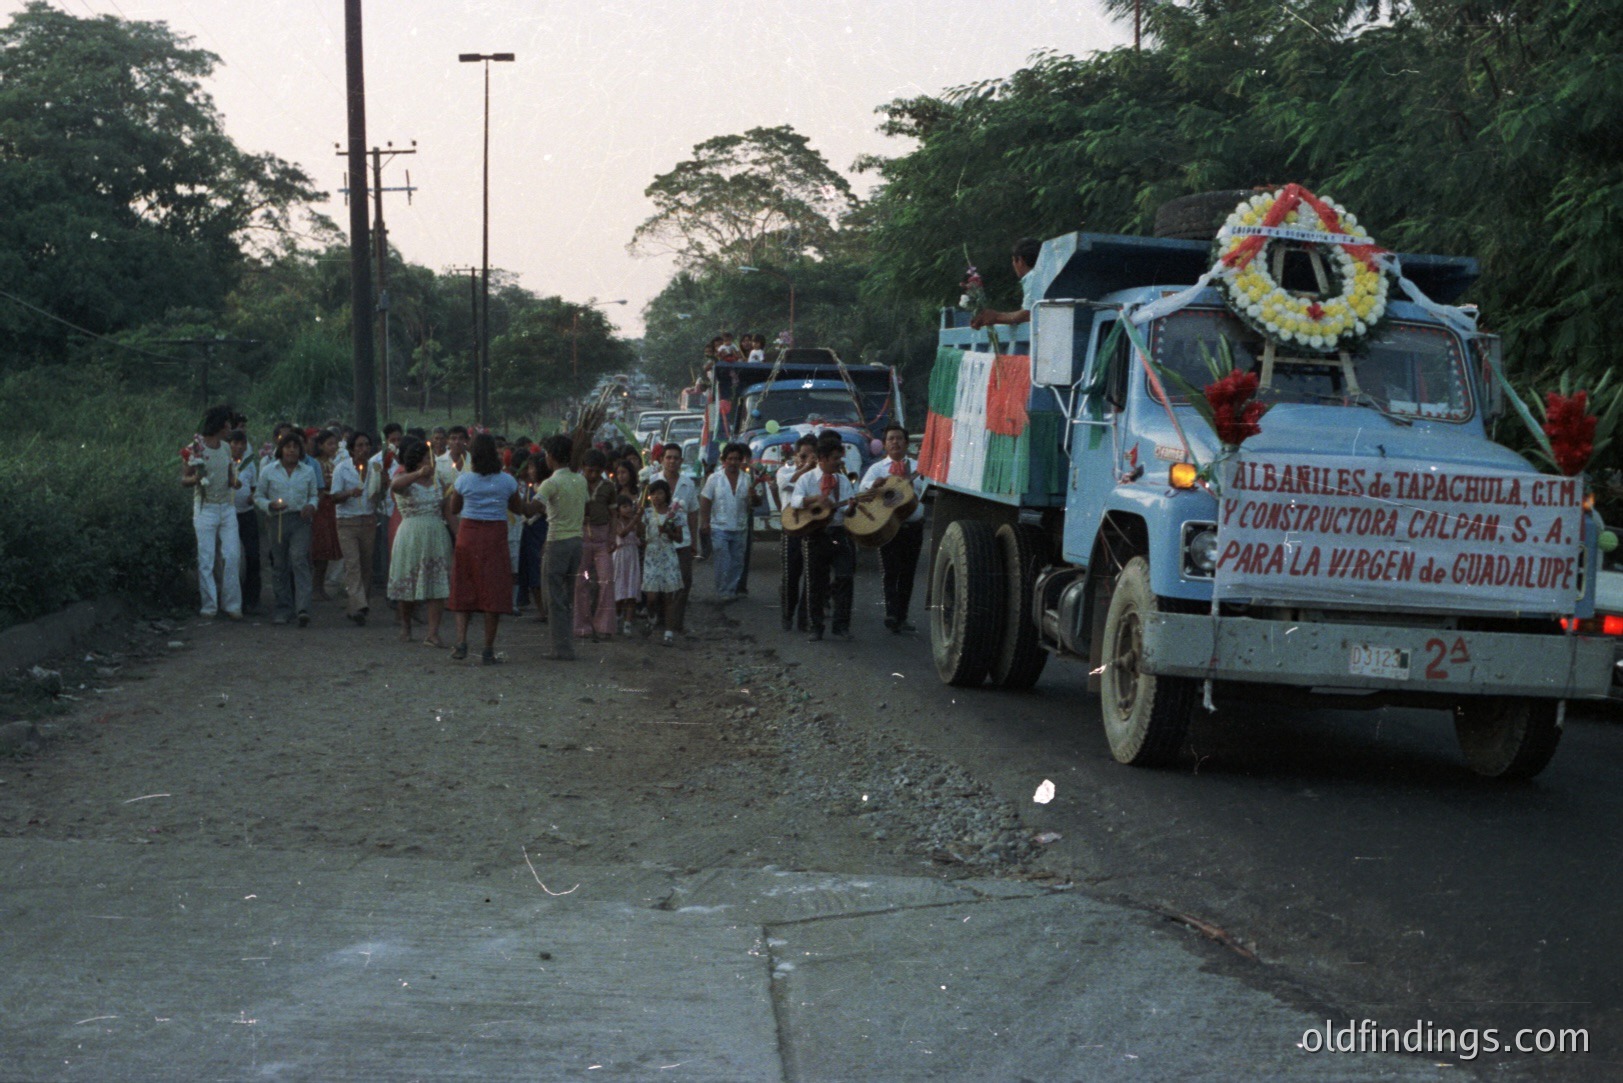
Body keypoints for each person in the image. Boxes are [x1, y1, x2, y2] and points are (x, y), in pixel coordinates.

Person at [446, 433, 527, 664]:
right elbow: (518, 508)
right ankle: (488, 648)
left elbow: (454, 508)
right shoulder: (507, 481)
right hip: (494, 536)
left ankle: (461, 641)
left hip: (468, 535)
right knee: (493, 589)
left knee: (464, 586)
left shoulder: (464, 480)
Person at [789, 432, 857, 641]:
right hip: (815, 534)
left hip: (837, 532)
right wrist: (815, 499)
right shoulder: (807, 478)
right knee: (816, 582)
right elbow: (795, 501)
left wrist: (852, 508)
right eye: (835, 458)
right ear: (823, 458)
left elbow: (847, 511)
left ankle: (841, 626)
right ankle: (815, 627)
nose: (839, 462)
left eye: (840, 458)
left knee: (845, 577)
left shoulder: (842, 480)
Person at [860, 424, 928, 633]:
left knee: (908, 572)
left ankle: (903, 617)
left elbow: (929, 490)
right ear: (885, 445)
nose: (895, 442)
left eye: (899, 438)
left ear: (906, 443)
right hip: (888, 527)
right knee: (890, 571)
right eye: (891, 439)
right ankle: (891, 613)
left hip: (912, 527)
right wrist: (875, 485)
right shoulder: (877, 469)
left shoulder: (919, 468)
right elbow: (862, 490)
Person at [387, 437, 452, 646]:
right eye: (426, 459)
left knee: (436, 584)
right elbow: (395, 486)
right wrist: (417, 474)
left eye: (431, 458)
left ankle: (432, 633)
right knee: (409, 583)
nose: (430, 463)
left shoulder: (438, 480)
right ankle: (406, 626)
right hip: (411, 533)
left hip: (435, 532)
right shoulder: (405, 478)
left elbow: (448, 511)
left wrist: (459, 536)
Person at [182, 404, 243, 620]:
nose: (230, 428)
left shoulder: (226, 448)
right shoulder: (196, 448)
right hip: (205, 508)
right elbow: (184, 478)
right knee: (206, 557)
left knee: (232, 555)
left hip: (226, 507)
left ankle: (232, 604)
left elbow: (229, 475)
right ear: (219, 425)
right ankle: (209, 605)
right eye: (227, 424)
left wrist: (234, 482)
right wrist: (196, 479)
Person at [254, 430, 319, 626]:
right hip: (277, 520)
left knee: (299, 559)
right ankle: (283, 608)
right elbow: (258, 496)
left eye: (295, 447)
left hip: (300, 520)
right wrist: (270, 505)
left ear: (300, 450)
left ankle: (303, 608)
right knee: (280, 564)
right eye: (288, 447)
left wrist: (311, 506)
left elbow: (314, 495)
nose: (291, 451)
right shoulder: (269, 471)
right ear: (281, 450)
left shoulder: (307, 471)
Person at [537, 435, 587, 661]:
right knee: (566, 595)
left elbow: (532, 507)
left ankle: (561, 648)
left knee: (554, 596)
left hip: (557, 541)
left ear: (551, 455)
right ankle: (566, 645)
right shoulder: (580, 480)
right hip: (577, 540)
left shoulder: (551, 483)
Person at [331, 431, 376, 625]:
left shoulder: (375, 468)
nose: (363, 449)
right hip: (347, 521)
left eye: (366, 445)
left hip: (368, 520)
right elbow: (333, 497)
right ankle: (359, 604)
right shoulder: (341, 469)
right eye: (359, 445)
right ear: (351, 449)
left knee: (366, 564)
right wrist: (349, 493)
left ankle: (356, 606)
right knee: (353, 563)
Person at [574, 449, 618, 641]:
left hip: (601, 538)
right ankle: (582, 626)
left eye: (596, 472)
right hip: (581, 536)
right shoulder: (576, 484)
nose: (592, 475)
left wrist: (612, 537)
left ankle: (604, 626)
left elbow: (614, 514)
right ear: (583, 468)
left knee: (606, 579)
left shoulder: (608, 487)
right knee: (580, 581)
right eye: (589, 471)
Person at [700, 441, 752, 599]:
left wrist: (754, 498)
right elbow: (705, 499)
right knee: (723, 559)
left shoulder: (747, 478)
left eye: (737, 459)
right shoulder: (714, 479)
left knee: (737, 562)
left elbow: (753, 502)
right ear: (724, 460)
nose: (733, 462)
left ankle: (731, 590)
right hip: (719, 527)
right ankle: (723, 591)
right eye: (730, 458)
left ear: (741, 460)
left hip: (740, 526)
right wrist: (705, 522)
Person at [776, 433, 818, 631]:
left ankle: (804, 618)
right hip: (791, 529)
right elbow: (785, 485)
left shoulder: (818, 475)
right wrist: (804, 469)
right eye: (802, 456)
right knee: (790, 576)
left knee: (811, 578)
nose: (806, 460)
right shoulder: (784, 472)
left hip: (811, 527)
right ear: (795, 456)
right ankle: (787, 614)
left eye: (811, 456)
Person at [656, 443, 699, 632]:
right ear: (662, 460)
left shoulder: (687, 483)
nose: (672, 461)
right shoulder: (652, 481)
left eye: (676, 458)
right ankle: (661, 620)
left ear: (681, 461)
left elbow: (693, 513)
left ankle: (676, 623)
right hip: (658, 542)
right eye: (668, 457)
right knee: (660, 582)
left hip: (683, 541)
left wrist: (694, 543)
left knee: (684, 581)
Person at [641, 479, 688, 646]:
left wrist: (668, 531)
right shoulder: (646, 513)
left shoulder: (674, 513)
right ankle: (652, 615)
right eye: (653, 494)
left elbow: (679, 537)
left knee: (669, 595)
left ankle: (668, 632)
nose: (656, 497)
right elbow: (641, 534)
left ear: (666, 494)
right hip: (652, 555)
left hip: (668, 554)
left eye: (660, 493)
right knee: (651, 595)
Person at [970, 237, 1043, 330]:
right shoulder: (1044, 274)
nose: (1013, 264)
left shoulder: (1032, 277)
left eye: (1013, 260)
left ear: (1019, 260)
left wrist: (996, 317)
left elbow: (1029, 314)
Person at [228, 429, 262, 616]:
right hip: (229, 514)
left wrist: (252, 497)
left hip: (246, 513)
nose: (239, 447)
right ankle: (233, 597)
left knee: (252, 555)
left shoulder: (249, 465)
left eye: (242, 443)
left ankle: (251, 597)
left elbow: (255, 488)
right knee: (232, 557)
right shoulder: (224, 463)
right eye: (235, 443)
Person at [514, 453, 551, 622]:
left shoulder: (547, 487)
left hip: (542, 531)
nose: (529, 471)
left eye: (532, 467)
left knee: (542, 571)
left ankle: (547, 609)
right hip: (529, 531)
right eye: (528, 467)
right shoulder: (531, 488)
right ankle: (541, 609)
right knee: (532, 572)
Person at [309, 429, 342, 599]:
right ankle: (315, 587)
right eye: (329, 444)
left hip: (330, 506)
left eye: (335, 444)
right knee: (319, 548)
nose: (333, 447)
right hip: (320, 506)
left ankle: (319, 586)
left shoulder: (334, 463)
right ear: (320, 445)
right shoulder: (315, 464)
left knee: (326, 549)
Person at [611, 494, 643, 635]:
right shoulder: (616, 522)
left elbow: (641, 534)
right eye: (624, 507)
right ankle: (617, 616)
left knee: (631, 590)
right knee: (619, 588)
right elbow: (622, 533)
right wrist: (635, 519)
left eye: (630, 506)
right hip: (620, 557)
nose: (628, 509)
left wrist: (639, 520)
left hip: (632, 557)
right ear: (618, 510)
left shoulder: (634, 522)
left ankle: (628, 622)